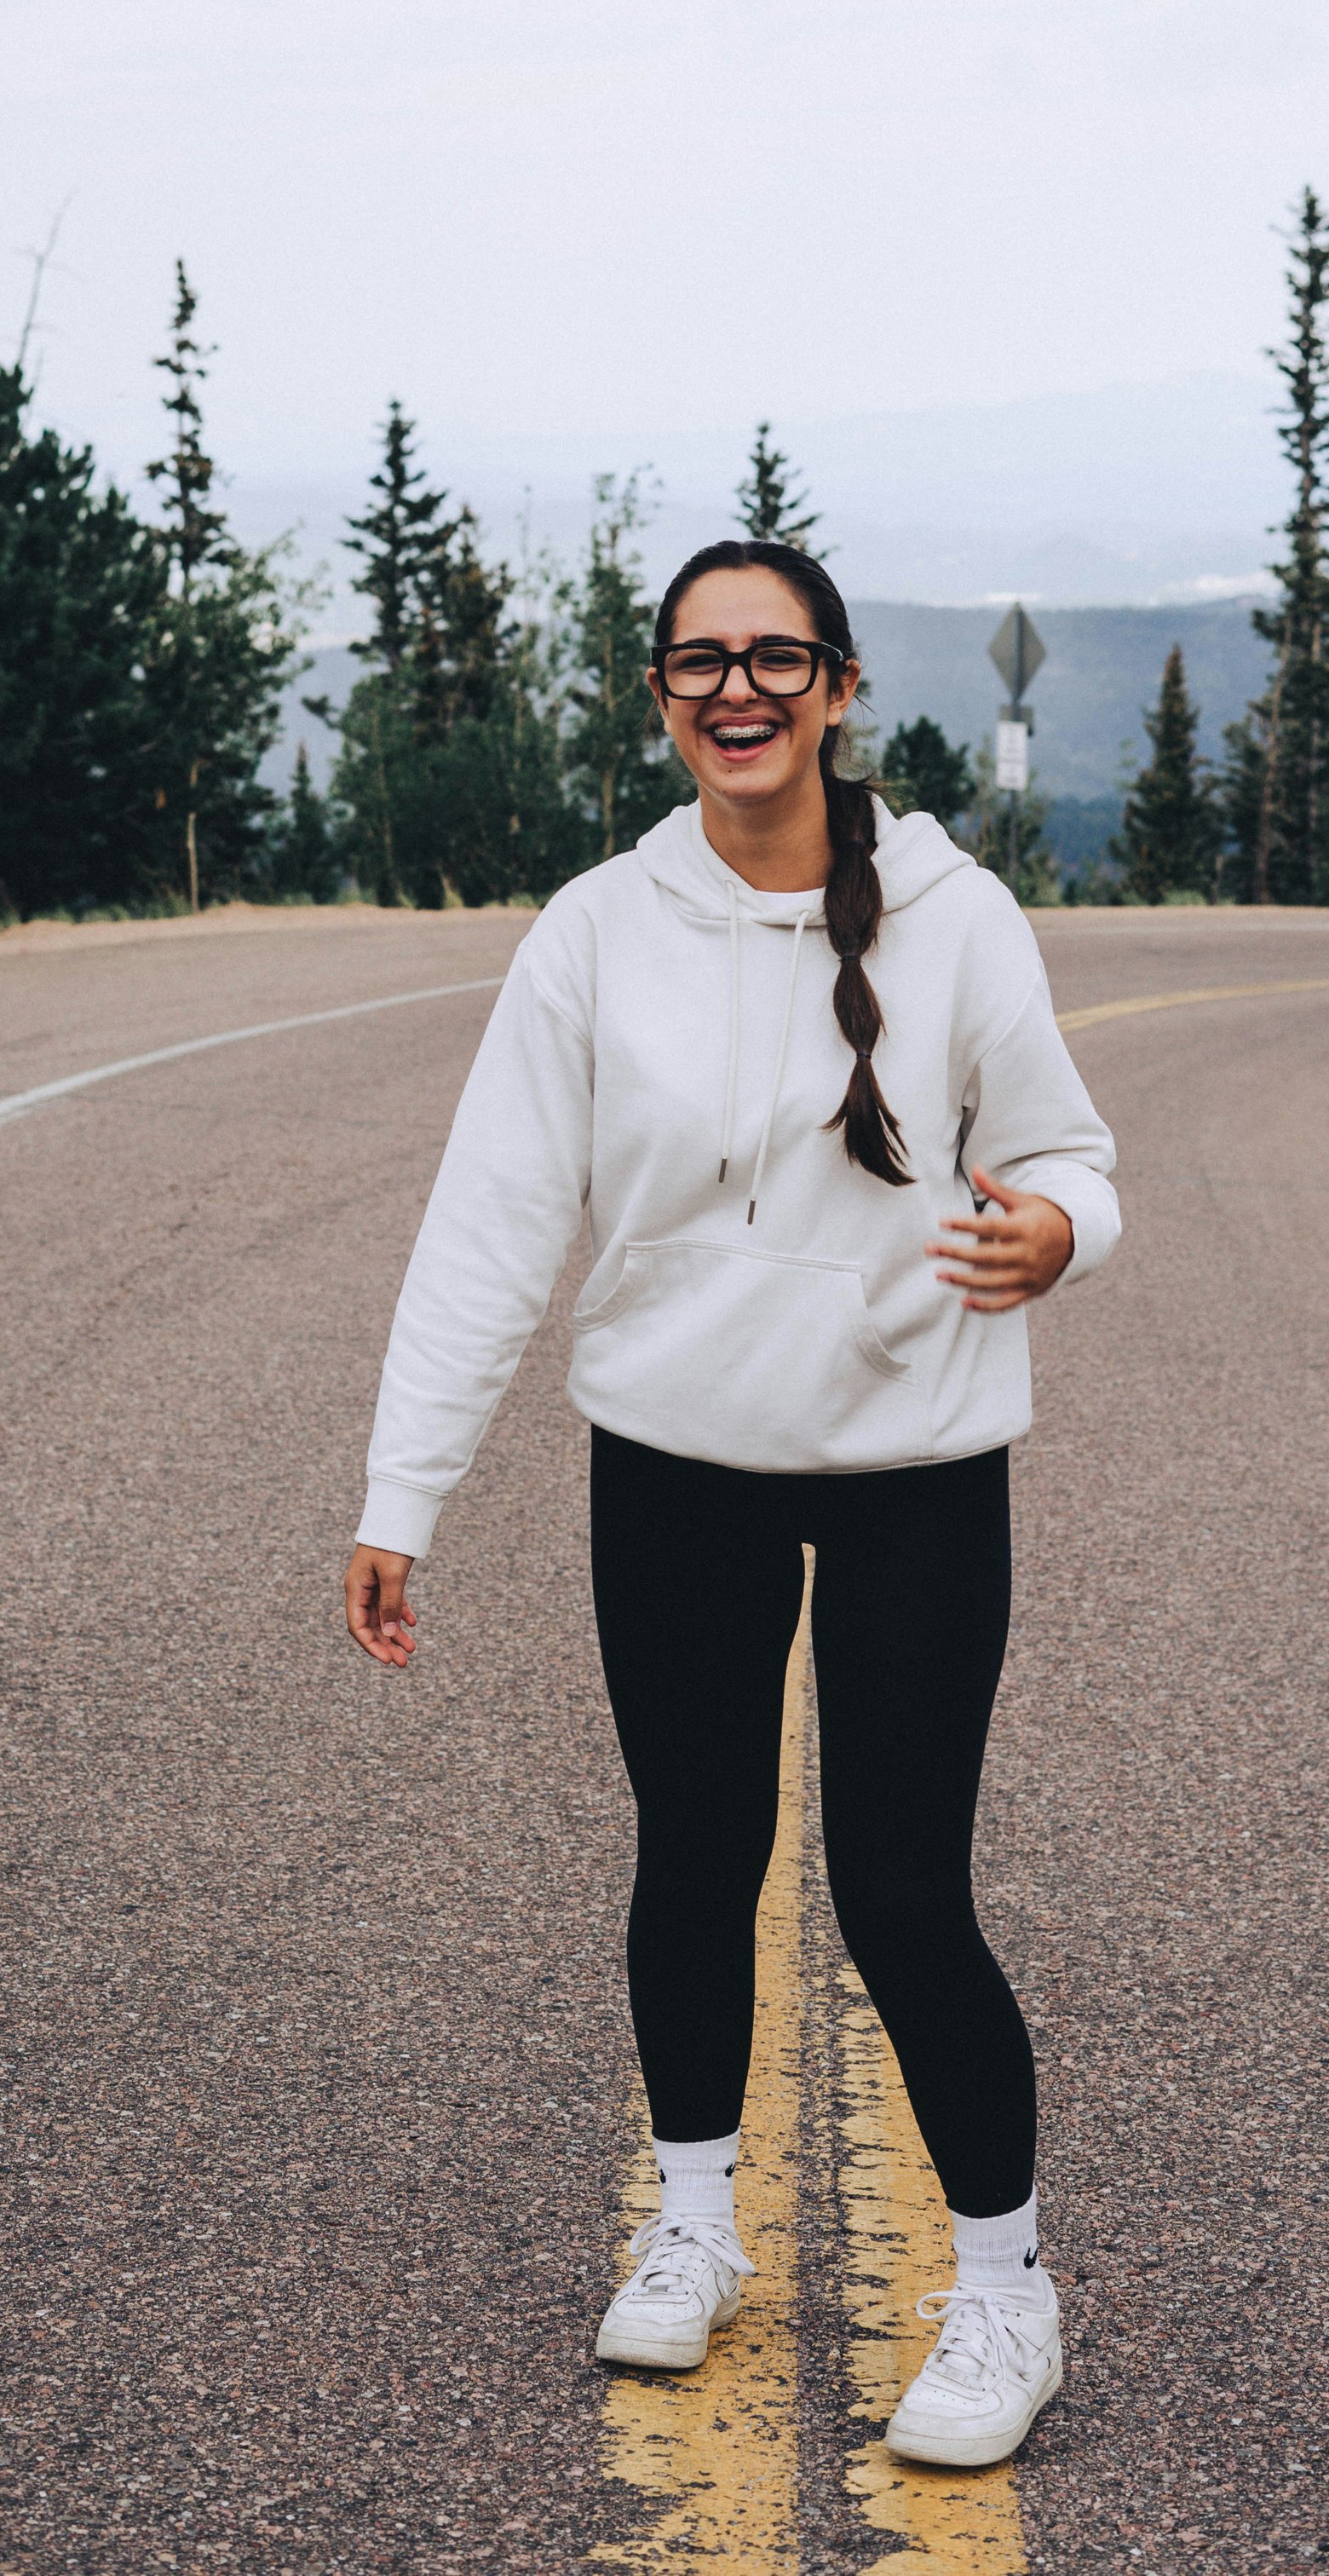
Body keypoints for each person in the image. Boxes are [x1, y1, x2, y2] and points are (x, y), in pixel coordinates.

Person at [344, 539, 1119, 2469]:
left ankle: (1003, 2291)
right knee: (692, 1857)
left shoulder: (955, 916)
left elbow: (1069, 1158)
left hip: (912, 1476)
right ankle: (693, 2220)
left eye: (775, 659)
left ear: (841, 689)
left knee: (897, 1893)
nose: (737, 690)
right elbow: (491, 1224)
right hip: (670, 1467)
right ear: (661, 697)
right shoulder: (594, 931)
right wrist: (401, 1490)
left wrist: (1058, 1233)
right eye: (699, 663)